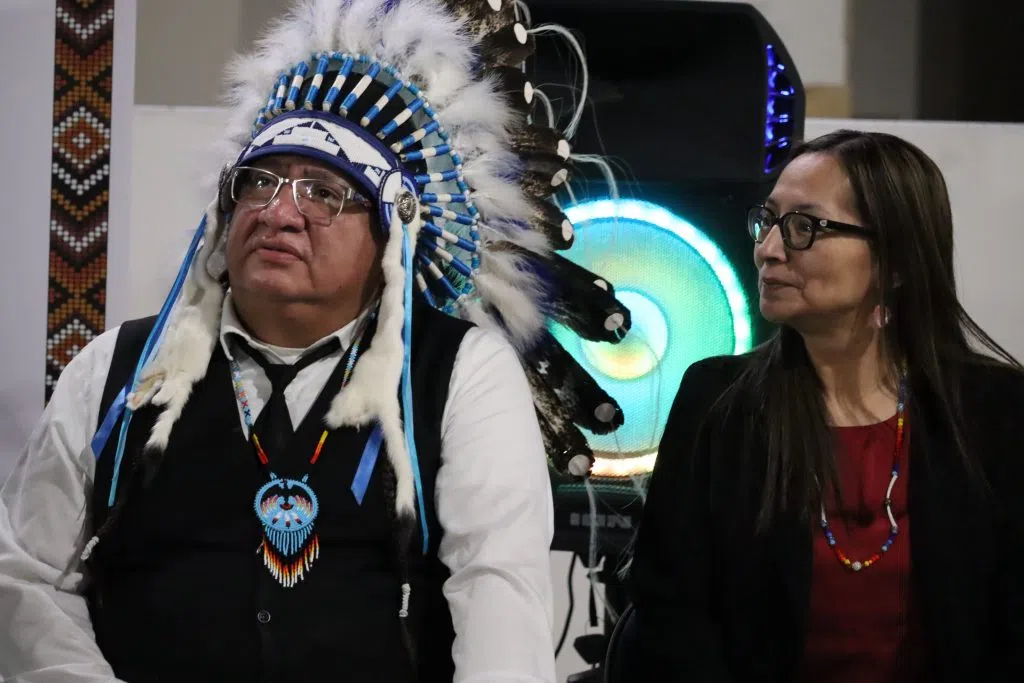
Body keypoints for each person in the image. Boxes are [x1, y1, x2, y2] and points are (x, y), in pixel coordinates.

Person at [0, 1, 631, 681]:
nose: (279, 213)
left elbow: (499, 600)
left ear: (393, 233)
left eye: (325, 193)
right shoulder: (117, 370)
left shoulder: (462, 376)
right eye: (258, 183)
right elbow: (29, 579)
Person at [626, 129, 1024, 682]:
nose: (768, 248)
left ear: (895, 261)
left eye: (804, 227)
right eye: (767, 220)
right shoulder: (719, 402)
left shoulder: (994, 412)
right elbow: (671, 616)